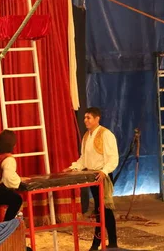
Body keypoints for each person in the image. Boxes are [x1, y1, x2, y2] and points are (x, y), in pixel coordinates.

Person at [66, 107, 119, 250]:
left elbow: (113, 158)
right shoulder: (86, 136)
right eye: (84, 118)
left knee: (104, 209)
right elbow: (84, 159)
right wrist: (74, 167)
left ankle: (108, 243)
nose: (85, 121)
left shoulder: (106, 134)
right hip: (92, 176)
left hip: (102, 175)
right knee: (98, 209)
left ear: (97, 119)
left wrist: (104, 171)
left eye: (88, 118)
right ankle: (100, 242)